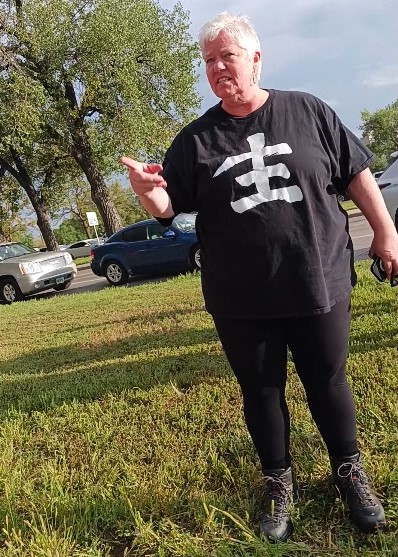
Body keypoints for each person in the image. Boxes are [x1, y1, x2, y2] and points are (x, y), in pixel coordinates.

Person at [121, 12, 398, 543]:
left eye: (228, 56)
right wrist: (144, 189)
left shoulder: (307, 111)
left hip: (318, 279)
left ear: (255, 57)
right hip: (241, 296)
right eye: (208, 61)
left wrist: (384, 233)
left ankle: (349, 472)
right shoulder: (195, 141)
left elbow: (356, 172)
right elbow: (166, 207)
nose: (218, 68)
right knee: (262, 390)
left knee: (328, 381)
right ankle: (278, 481)